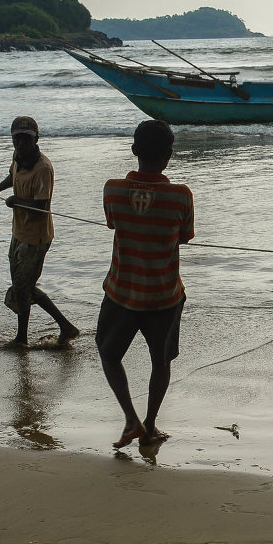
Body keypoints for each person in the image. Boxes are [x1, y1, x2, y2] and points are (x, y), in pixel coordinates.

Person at [97, 120, 194, 449]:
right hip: (164, 295)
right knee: (161, 363)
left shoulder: (112, 189)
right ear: (169, 155)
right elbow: (184, 237)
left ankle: (131, 420)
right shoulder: (180, 196)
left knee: (109, 355)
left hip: (122, 292)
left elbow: (114, 222)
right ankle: (149, 426)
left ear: (134, 150)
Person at [0, 116, 79, 347]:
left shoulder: (43, 168)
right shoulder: (18, 157)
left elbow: (41, 206)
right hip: (18, 232)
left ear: (36, 139)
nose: (20, 142)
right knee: (22, 286)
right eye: (17, 137)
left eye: (25, 138)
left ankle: (23, 338)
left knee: (23, 287)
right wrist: (0, 187)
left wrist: (16, 200)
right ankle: (65, 327)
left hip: (36, 237)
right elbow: (13, 174)